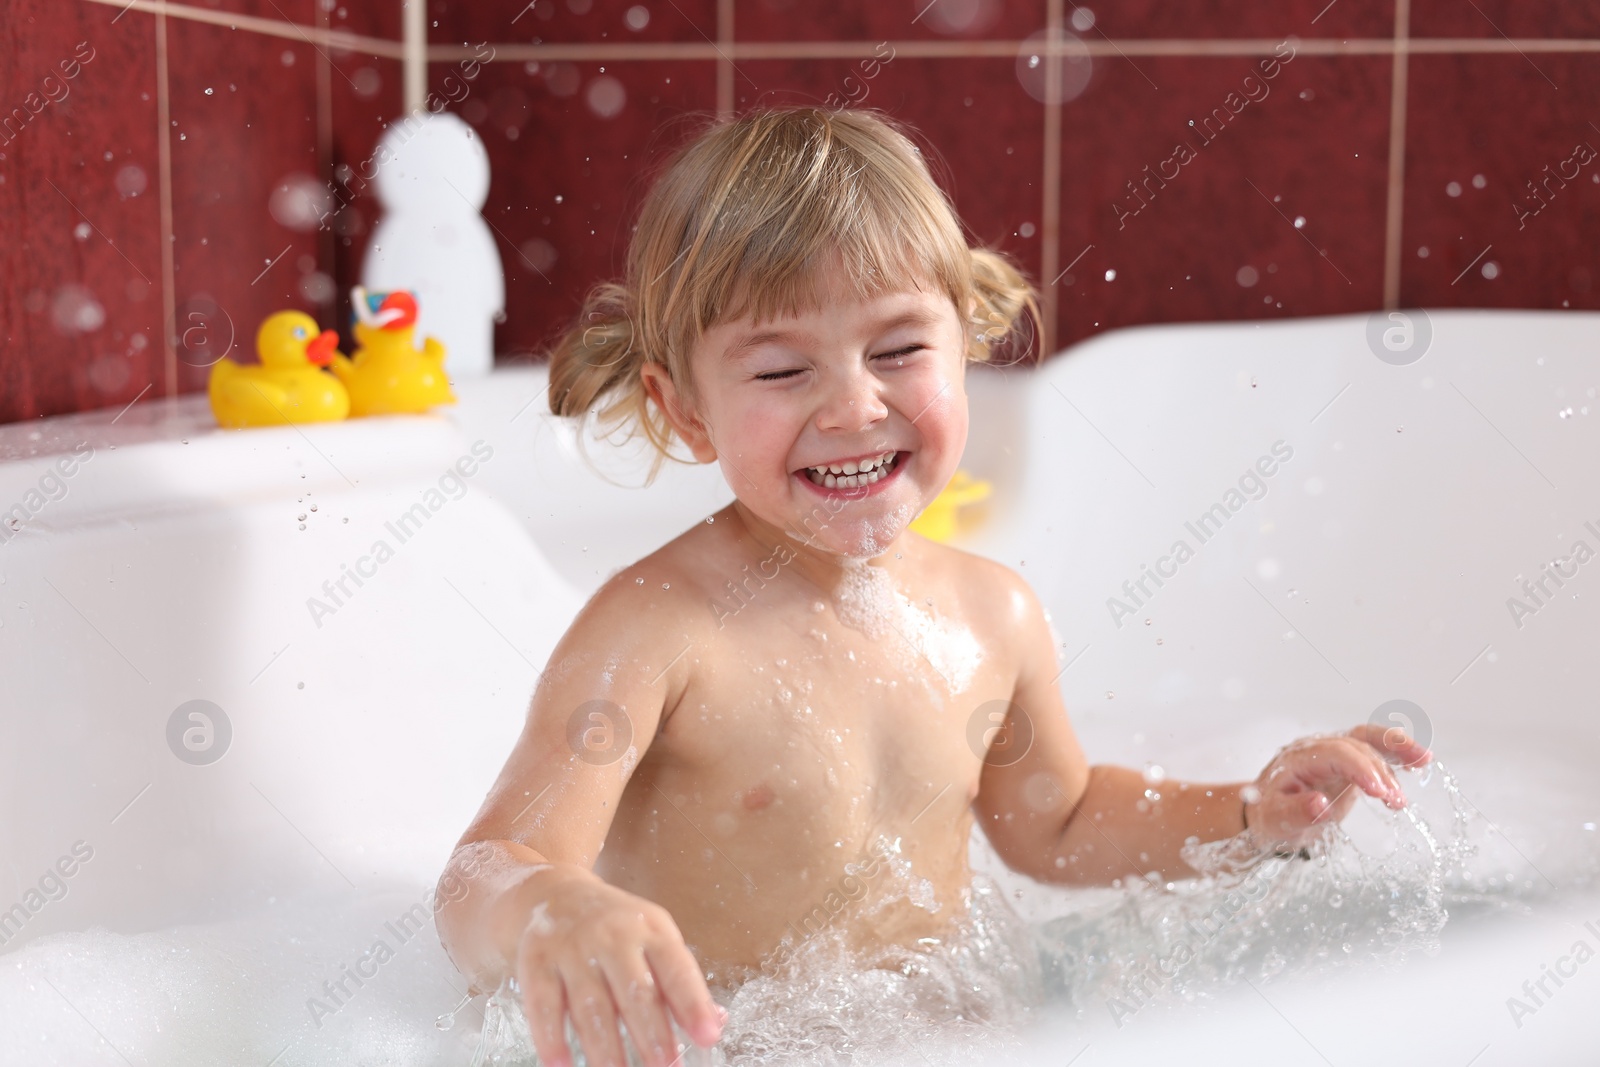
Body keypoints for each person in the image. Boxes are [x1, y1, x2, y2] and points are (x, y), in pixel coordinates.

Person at [432, 107, 1431, 1067]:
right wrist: (553, 907)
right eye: (782, 370)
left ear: (967, 341)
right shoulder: (657, 625)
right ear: (683, 408)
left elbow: (1062, 821)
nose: (854, 405)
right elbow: (484, 870)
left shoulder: (991, 612)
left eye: (900, 349)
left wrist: (1253, 808)